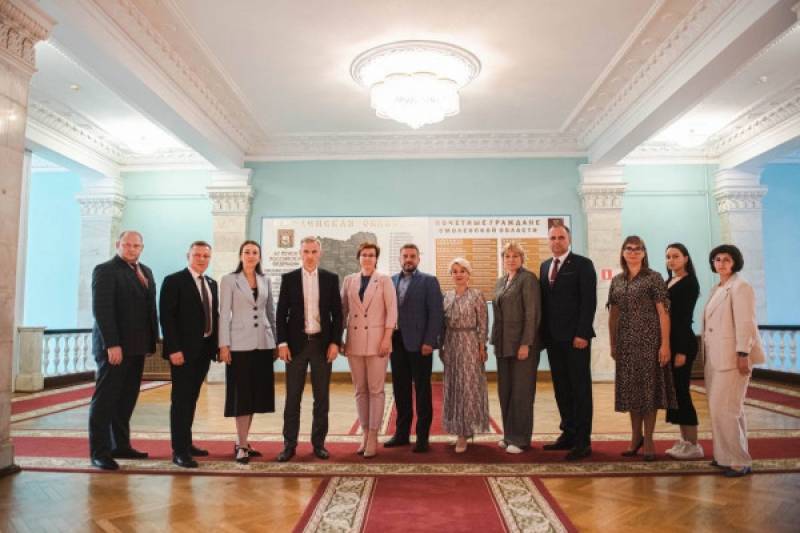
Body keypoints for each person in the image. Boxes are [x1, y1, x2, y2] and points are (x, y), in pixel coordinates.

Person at [88, 230, 158, 470]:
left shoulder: (145, 271)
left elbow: (149, 310)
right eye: (127, 244)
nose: (131, 249)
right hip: (114, 349)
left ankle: (120, 445)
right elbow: (102, 310)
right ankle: (99, 452)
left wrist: (151, 342)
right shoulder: (105, 270)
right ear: (118, 244)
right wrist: (112, 344)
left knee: (126, 400)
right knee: (105, 401)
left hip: (137, 348)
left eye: (136, 246)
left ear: (141, 248)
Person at [608, 235, 676, 462]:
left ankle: (649, 440)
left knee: (648, 391)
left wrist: (665, 344)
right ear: (623, 252)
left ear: (644, 253)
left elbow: (663, 313)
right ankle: (635, 436)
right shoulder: (617, 280)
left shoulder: (653, 278)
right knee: (631, 391)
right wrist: (612, 343)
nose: (633, 252)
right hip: (625, 344)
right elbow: (613, 315)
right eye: (629, 248)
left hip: (650, 343)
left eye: (638, 249)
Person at [275, 237, 343, 462]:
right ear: (300, 253)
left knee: (321, 398)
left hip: (322, 346)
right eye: (306, 251)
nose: (310, 256)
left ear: (320, 253)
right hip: (295, 347)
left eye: (314, 251)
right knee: (292, 398)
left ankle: (319, 444)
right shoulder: (289, 279)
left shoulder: (330, 279)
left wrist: (335, 343)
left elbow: (337, 314)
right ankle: (289, 445)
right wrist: (282, 344)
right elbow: (281, 314)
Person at [703, 244, 765, 477]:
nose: (721, 263)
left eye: (726, 259)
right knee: (721, 409)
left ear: (735, 262)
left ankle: (739, 461)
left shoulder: (741, 287)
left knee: (727, 409)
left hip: (733, 357)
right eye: (717, 259)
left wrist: (743, 354)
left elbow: (746, 323)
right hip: (716, 357)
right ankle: (724, 456)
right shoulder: (718, 287)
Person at [539, 224, 597, 461]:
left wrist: (582, 333)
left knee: (579, 390)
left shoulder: (583, 264)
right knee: (561, 389)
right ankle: (568, 433)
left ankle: (583, 441)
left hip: (576, 340)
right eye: (552, 238)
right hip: (554, 340)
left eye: (561, 237)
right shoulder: (545, 266)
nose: (556, 241)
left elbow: (588, 301)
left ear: (569, 239)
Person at [159, 241, 218, 468]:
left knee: (191, 399)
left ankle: (187, 442)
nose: (201, 259)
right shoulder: (174, 281)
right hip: (182, 353)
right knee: (181, 401)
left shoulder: (211, 283)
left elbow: (214, 316)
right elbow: (167, 318)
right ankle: (179, 451)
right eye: (197, 255)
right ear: (188, 256)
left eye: (205, 256)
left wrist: (216, 347)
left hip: (204, 351)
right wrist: (173, 349)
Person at [218, 240, 277, 464]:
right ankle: (242, 445)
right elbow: (224, 314)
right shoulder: (229, 280)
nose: (251, 255)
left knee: (254, 395)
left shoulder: (265, 280)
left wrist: (276, 342)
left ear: (259, 256)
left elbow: (270, 312)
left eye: (254, 252)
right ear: (240, 255)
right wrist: (224, 345)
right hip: (239, 345)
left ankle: (242, 440)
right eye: (247, 252)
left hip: (263, 343)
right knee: (241, 395)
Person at [341, 242, 398, 458]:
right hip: (354, 341)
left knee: (376, 389)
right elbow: (342, 311)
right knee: (360, 389)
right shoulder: (349, 280)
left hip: (377, 342)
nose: (367, 258)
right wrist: (339, 338)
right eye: (364, 255)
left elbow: (392, 311)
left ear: (376, 258)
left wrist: (387, 338)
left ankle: (374, 434)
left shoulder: (384, 280)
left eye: (371, 255)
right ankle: (364, 433)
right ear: (359, 257)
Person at [385, 244, 444, 453]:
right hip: (396, 343)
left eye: (412, 256)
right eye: (405, 256)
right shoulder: (390, 281)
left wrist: (430, 341)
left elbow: (436, 314)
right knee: (400, 390)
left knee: (422, 391)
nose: (408, 259)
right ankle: (401, 434)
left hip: (420, 345)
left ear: (418, 259)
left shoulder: (429, 281)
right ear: (399, 258)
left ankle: (422, 437)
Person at [491, 241, 542, 454]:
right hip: (503, 344)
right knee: (506, 392)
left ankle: (520, 439)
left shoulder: (528, 279)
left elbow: (532, 313)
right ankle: (509, 435)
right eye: (507, 256)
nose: (511, 259)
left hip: (522, 346)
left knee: (521, 392)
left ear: (522, 258)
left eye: (515, 256)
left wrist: (526, 343)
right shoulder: (501, 281)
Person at [440, 257, 490, 453]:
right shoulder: (446, 296)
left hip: (470, 343)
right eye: (455, 271)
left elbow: (483, 324)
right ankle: (457, 428)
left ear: (469, 274)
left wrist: (482, 347)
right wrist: (442, 346)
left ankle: (465, 432)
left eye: (462, 271)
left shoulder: (477, 295)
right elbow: (442, 324)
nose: (458, 274)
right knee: (453, 385)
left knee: (468, 386)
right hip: (451, 343)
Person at [663, 243, 703, 460]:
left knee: (682, 393)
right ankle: (684, 441)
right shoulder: (669, 281)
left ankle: (694, 444)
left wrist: (680, 351)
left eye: (676, 256)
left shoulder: (689, 283)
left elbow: (682, 319)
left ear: (686, 258)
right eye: (668, 256)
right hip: (670, 342)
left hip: (682, 343)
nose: (671, 260)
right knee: (675, 393)